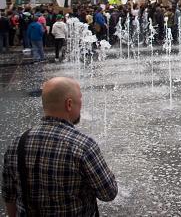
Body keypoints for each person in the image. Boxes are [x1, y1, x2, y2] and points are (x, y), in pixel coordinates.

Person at [2, 77, 118, 215]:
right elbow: (108, 193)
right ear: (69, 104)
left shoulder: (16, 144)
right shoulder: (83, 146)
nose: (81, 105)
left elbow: (9, 196)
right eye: (80, 100)